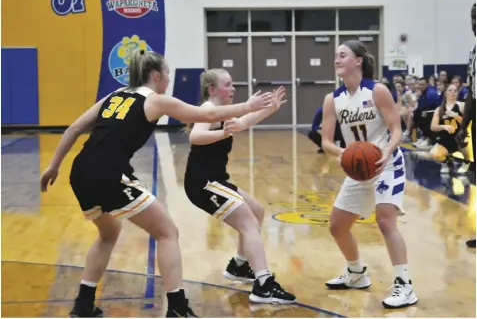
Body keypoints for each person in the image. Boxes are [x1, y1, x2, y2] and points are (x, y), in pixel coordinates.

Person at [39, 51, 274, 318]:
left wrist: (53, 166)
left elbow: (73, 129)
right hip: (110, 173)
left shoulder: (114, 96)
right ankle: (177, 307)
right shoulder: (156, 101)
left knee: (108, 234)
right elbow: (205, 116)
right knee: (167, 233)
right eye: (168, 75)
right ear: (157, 76)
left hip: (80, 171)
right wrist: (249, 106)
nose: (170, 80)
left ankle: (83, 304)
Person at [183, 69, 296, 305]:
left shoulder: (222, 113)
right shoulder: (206, 110)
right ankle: (263, 284)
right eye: (228, 84)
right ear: (213, 90)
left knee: (257, 211)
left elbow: (243, 123)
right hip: (203, 183)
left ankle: (239, 266)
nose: (233, 89)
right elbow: (195, 136)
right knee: (249, 223)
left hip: (215, 180)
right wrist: (223, 132)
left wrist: (270, 108)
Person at [320, 40, 418, 309]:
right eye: (336, 56)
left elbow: (397, 130)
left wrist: (386, 151)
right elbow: (326, 140)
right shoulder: (333, 99)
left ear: (358, 61)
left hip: (386, 162)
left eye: (342, 55)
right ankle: (356, 273)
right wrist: (342, 153)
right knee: (337, 227)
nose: (337, 60)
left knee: (385, 221)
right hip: (358, 167)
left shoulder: (378, 91)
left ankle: (404, 285)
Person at [456, 2, 476, 248]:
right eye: (472, 17)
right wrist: (464, 126)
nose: (474, 22)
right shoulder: (473, 51)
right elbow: (472, 91)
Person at [430, 84, 466, 174]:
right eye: (450, 90)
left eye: (455, 90)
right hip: (446, 138)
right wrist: (443, 126)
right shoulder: (439, 109)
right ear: (445, 93)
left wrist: (455, 116)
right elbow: (433, 127)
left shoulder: (462, 105)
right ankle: (446, 162)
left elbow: (467, 123)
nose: (453, 92)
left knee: (464, 154)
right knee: (434, 154)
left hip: (461, 138)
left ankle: (466, 163)